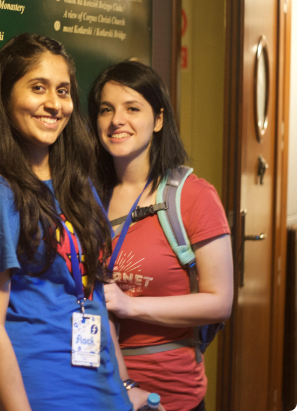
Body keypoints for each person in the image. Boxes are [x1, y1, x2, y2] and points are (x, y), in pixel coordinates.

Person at [0, 34, 155, 411]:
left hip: (101, 388)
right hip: (37, 394)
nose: (54, 104)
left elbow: (95, 299)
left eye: (63, 90)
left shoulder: (78, 185)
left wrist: (125, 384)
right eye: (37, 88)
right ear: (6, 95)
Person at [88, 60, 233, 411]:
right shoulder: (86, 195)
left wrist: (130, 305)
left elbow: (220, 301)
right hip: (95, 387)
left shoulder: (193, 196)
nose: (116, 120)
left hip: (167, 395)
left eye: (132, 108)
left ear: (158, 119)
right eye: (106, 109)